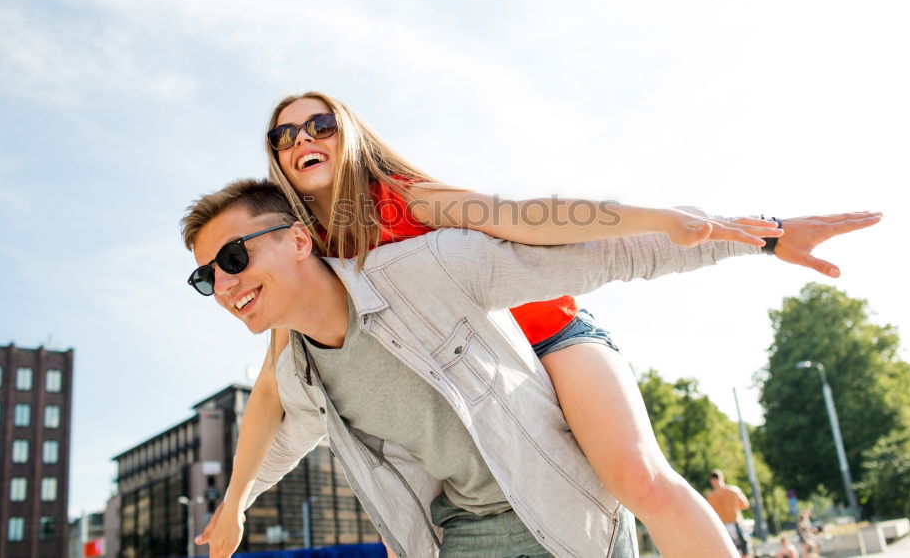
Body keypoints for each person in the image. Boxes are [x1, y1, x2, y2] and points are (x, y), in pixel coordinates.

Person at [244, 91, 862, 557]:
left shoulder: (412, 199)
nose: (302, 137)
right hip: (483, 382)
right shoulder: (304, 255)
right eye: (284, 134)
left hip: (549, 336)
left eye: (319, 123)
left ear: (348, 135)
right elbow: (276, 383)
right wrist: (233, 504)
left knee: (639, 479)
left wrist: (690, 223)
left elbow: (532, 218)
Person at [706, 469, 753, 557]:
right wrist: (732, 507)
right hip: (736, 523)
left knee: (730, 553)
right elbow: (745, 505)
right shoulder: (733, 490)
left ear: (711, 481)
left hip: (723, 527)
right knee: (745, 552)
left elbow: (710, 515)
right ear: (722, 478)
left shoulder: (711, 497)